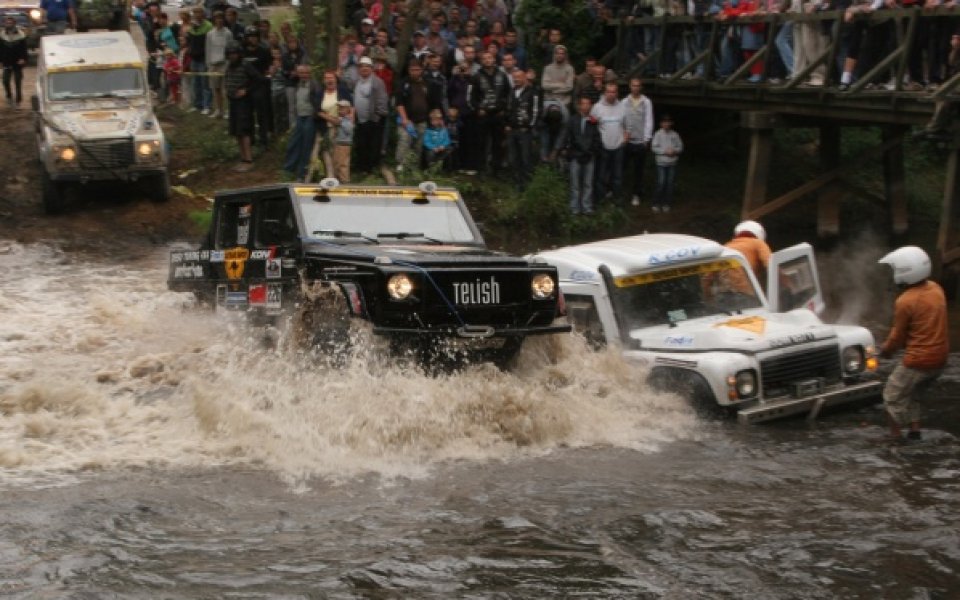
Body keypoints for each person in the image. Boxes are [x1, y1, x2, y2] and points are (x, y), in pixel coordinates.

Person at [877, 246, 949, 442]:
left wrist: (884, 351)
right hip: (940, 360)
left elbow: (897, 337)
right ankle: (915, 432)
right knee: (913, 393)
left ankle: (895, 436)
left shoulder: (905, 301)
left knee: (892, 394)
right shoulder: (936, 289)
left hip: (918, 360)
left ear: (904, 271)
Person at [555, 96, 601, 215]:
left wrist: (591, 152)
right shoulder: (572, 120)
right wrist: (561, 149)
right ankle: (574, 208)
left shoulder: (593, 121)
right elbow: (565, 136)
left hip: (589, 156)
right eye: (583, 104)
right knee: (575, 184)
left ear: (590, 106)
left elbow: (597, 139)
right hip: (575, 155)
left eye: (588, 104)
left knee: (588, 183)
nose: (585, 106)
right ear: (580, 106)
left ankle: (587, 207)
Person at [223, 40, 262, 171]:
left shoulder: (246, 65)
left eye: (234, 53)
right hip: (233, 101)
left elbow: (258, 79)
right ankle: (242, 158)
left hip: (244, 103)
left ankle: (249, 159)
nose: (232, 56)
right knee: (236, 131)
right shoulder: (229, 66)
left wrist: (246, 90)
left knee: (244, 130)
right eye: (230, 54)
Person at [590, 82, 627, 205]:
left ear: (617, 93)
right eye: (609, 92)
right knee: (601, 175)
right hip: (603, 147)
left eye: (614, 92)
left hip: (618, 147)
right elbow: (592, 126)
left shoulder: (622, 106)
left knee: (617, 176)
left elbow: (628, 125)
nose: (611, 94)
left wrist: (625, 139)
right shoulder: (597, 107)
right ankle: (600, 200)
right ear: (605, 93)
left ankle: (617, 199)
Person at [351, 56, 389, 175]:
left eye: (367, 66)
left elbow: (383, 100)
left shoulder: (377, 82)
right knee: (361, 144)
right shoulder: (357, 82)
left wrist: (378, 116)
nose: (364, 69)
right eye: (362, 66)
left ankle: (371, 169)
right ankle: (361, 167)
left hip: (374, 119)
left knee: (373, 145)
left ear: (372, 68)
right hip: (360, 120)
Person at [282, 64, 320, 181]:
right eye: (301, 73)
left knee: (306, 145)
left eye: (306, 73)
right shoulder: (298, 84)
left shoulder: (314, 85)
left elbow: (318, 102)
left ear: (310, 73)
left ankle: (302, 173)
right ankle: (288, 169)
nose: (304, 75)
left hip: (310, 117)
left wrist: (316, 115)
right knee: (294, 142)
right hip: (300, 117)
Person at [504, 68, 540, 191]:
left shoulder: (533, 92)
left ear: (525, 78)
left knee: (526, 158)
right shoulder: (512, 92)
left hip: (525, 130)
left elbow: (535, 112)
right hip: (512, 130)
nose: (516, 79)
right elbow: (508, 109)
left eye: (519, 77)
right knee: (513, 158)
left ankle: (527, 185)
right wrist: (507, 123)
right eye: (514, 77)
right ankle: (517, 183)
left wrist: (529, 126)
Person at [621, 77, 654, 206]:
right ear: (630, 86)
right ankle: (619, 191)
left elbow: (649, 120)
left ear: (641, 87)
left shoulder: (646, 102)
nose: (635, 88)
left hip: (640, 141)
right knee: (622, 168)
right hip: (627, 141)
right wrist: (623, 134)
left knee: (638, 170)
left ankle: (636, 194)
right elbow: (621, 119)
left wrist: (647, 139)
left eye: (638, 85)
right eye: (633, 85)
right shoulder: (624, 101)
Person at [650, 114, 683, 213]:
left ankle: (666, 203)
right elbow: (654, 147)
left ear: (671, 123)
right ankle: (656, 203)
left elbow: (680, 147)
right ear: (661, 124)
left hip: (672, 163)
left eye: (668, 122)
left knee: (670, 184)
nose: (666, 124)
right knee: (661, 183)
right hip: (661, 163)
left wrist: (675, 151)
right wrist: (665, 151)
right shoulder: (658, 134)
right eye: (664, 122)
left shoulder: (675, 135)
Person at [0, 15, 28, 108]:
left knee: (17, 82)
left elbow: (24, 49)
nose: (8, 24)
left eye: (10, 23)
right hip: (6, 61)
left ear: (14, 24)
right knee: (5, 80)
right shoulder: (2, 35)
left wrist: (23, 59)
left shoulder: (21, 35)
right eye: (7, 23)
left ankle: (18, 101)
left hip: (17, 62)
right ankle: (9, 96)